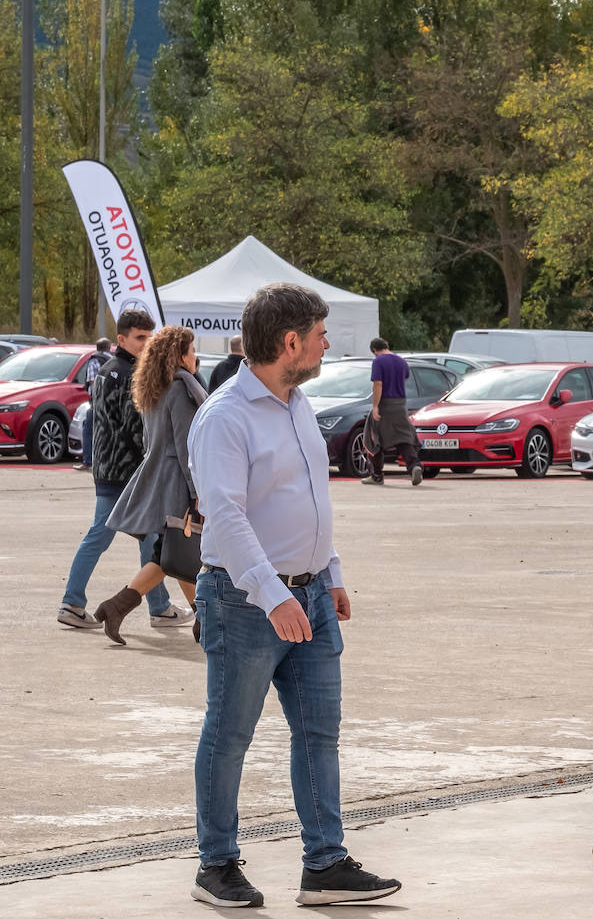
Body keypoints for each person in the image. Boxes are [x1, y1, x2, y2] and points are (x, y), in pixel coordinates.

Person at [186, 283, 400, 908]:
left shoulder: (298, 403)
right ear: (289, 342)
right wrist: (273, 592)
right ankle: (216, 865)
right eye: (320, 334)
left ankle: (324, 866)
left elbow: (309, 501)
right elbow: (223, 516)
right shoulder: (224, 417)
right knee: (230, 736)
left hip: (309, 597)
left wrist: (328, 572)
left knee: (318, 735)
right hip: (244, 601)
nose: (327, 343)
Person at [58, 314, 184, 631]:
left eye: (149, 337)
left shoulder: (106, 370)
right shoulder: (128, 374)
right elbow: (134, 429)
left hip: (109, 468)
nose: (146, 343)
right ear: (122, 339)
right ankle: (72, 603)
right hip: (125, 472)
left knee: (149, 538)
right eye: (140, 337)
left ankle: (159, 606)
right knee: (109, 536)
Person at [95, 325, 208, 645]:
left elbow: (149, 440)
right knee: (174, 552)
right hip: (176, 480)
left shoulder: (154, 387)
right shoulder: (181, 389)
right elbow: (188, 447)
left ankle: (202, 618)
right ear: (180, 355)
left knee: (174, 551)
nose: (195, 356)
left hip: (156, 476)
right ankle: (118, 606)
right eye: (192, 350)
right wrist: (198, 492)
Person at [362, 337, 422, 487]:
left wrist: (375, 406)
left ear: (374, 350)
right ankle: (414, 466)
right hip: (401, 405)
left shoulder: (378, 361)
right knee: (403, 438)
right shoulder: (401, 361)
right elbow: (405, 378)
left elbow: (378, 384)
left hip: (385, 404)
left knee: (374, 438)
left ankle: (376, 475)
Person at [74, 338, 113, 471]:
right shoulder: (113, 360)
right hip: (113, 399)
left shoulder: (94, 360)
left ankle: (87, 461)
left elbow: (93, 382)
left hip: (99, 400)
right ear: (109, 347)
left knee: (88, 428)